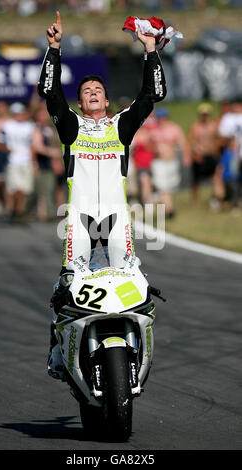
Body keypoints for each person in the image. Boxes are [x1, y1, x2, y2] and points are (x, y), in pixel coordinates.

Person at [37, 11, 167, 379]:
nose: (92, 93)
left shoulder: (120, 125)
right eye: (85, 92)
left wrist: (150, 49)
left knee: (131, 279)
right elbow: (49, 91)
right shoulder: (72, 126)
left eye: (98, 90)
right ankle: (58, 349)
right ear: (79, 104)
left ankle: (138, 348)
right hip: (77, 218)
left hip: (115, 218)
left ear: (107, 102)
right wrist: (54, 49)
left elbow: (152, 94)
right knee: (66, 285)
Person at [0, 102, 36, 222]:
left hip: (26, 160)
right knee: (15, 188)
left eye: (20, 113)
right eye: (16, 113)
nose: (19, 115)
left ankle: (18, 211)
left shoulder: (29, 126)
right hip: (13, 161)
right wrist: (7, 149)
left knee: (24, 189)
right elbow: (0, 143)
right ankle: (17, 211)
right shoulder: (8, 125)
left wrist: (34, 161)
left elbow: (32, 145)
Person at [149, 107, 190, 218]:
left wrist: (186, 157)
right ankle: (169, 211)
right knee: (162, 188)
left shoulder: (174, 128)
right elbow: (148, 145)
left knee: (169, 187)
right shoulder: (153, 130)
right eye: (159, 117)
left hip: (172, 162)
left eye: (163, 117)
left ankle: (168, 209)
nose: (161, 120)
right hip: (159, 162)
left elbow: (183, 143)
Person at [31, 105, 62, 221]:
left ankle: (57, 211)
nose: (44, 116)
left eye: (45, 113)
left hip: (52, 162)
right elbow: (36, 147)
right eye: (41, 113)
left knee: (55, 187)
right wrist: (54, 153)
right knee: (43, 190)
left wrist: (57, 158)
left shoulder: (51, 128)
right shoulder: (35, 128)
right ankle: (43, 213)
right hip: (41, 162)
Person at [188, 103, 218, 204]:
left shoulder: (213, 125)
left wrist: (216, 153)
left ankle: (215, 197)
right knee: (196, 180)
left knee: (215, 177)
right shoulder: (195, 126)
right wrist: (196, 154)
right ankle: (194, 199)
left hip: (211, 155)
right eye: (203, 114)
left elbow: (216, 140)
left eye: (206, 114)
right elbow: (192, 141)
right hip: (199, 156)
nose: (204, 116)